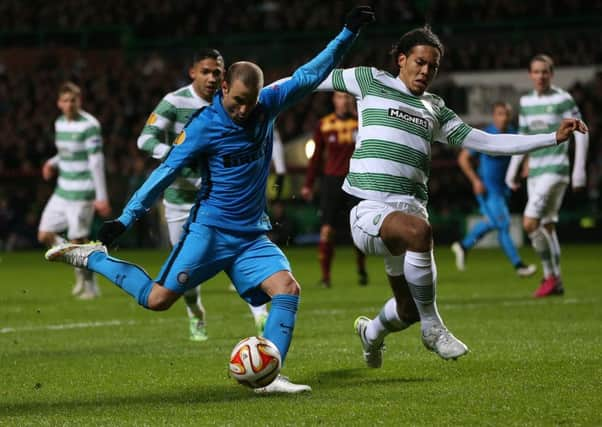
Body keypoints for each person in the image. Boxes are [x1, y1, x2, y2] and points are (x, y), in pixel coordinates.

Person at [45, 6, 375, 393]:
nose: (243, 109)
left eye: (249, 101)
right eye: (236, 100)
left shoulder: (267, 104)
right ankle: (93, 257)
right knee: (157, 299)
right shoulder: (203, 127)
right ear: (223, 89)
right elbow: (164, 172)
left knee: (287, 289)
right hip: (210, 231)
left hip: (251, 236)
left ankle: (270, 376)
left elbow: (311, 72)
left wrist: (347, 33)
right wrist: (126, 218)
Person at [316, 26, 587, 368]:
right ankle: (434, 328)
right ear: (402, 60)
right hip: (369, 211)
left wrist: (551, 138)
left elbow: (487, 142)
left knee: (406, 308)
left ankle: (371, 334)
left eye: (433, 66)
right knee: (420, 234)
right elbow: (311, 77)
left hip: (410, 212)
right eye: (419, 62)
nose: (426, 71)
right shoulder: (370, 81)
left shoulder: (434, 109)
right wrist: (258, 93)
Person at [137, 48, 268, 342]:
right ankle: (196, 313)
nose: (211, 78)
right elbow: (145, 139)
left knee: (238, 261)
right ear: (193, 72)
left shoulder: (233, 103)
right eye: (205, 71)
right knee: (184, 277)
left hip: (220, 204)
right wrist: (178, 156)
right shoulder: (174, 102)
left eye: (216, 72)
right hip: (179, 202)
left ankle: (260, 314)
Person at [505, 54, 589, 298]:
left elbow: (582, 130)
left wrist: (579, 170)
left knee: (530, 223)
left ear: (551, 74)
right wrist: (513, 172)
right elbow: (522, 140)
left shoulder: (563, 99)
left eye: (545, 72)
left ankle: (550, 276)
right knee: (548, 227)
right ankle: (556, 280)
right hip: (535, 174)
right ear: (530, 75)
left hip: (555, 170)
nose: (540, 76)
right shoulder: (527, 102)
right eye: (536, 71)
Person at [38, 81, 111, 300]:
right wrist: (52, 162)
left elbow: (96, 161)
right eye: (66, 100)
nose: (70, 104)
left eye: (74, 100)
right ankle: (80, 268)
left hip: (82, 192)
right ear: (59, 103)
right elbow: (67, 152)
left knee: (78, 240)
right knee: (44, 234)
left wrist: (101, 197)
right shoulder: (59, 123)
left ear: (80, 101)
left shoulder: (90, 125)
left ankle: (89, 283)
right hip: (62, 191)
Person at [451, 102, 536, 277]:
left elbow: (525, 151)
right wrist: (475, 180)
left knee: (492, 222)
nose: (503, 118)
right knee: (503, 225)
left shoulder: (513, 133)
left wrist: (526, 166)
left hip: (504, 190)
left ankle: (463, 246)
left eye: (506, 114)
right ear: (494, 115)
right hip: (488, 191)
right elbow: (463, 158)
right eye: (499, 114)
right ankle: (519, 266)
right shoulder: (485, 134)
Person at [301, 91, 368, 288]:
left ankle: (361, 269)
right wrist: (308, 184)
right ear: (334, 100)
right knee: (326, 230)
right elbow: (316, 158)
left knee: (359, 229)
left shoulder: (362, 122)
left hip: (357, 181)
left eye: (348, 98)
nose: (344, 101)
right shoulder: (324, 124)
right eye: (340, 97)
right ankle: (326, 277)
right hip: (332, 182)